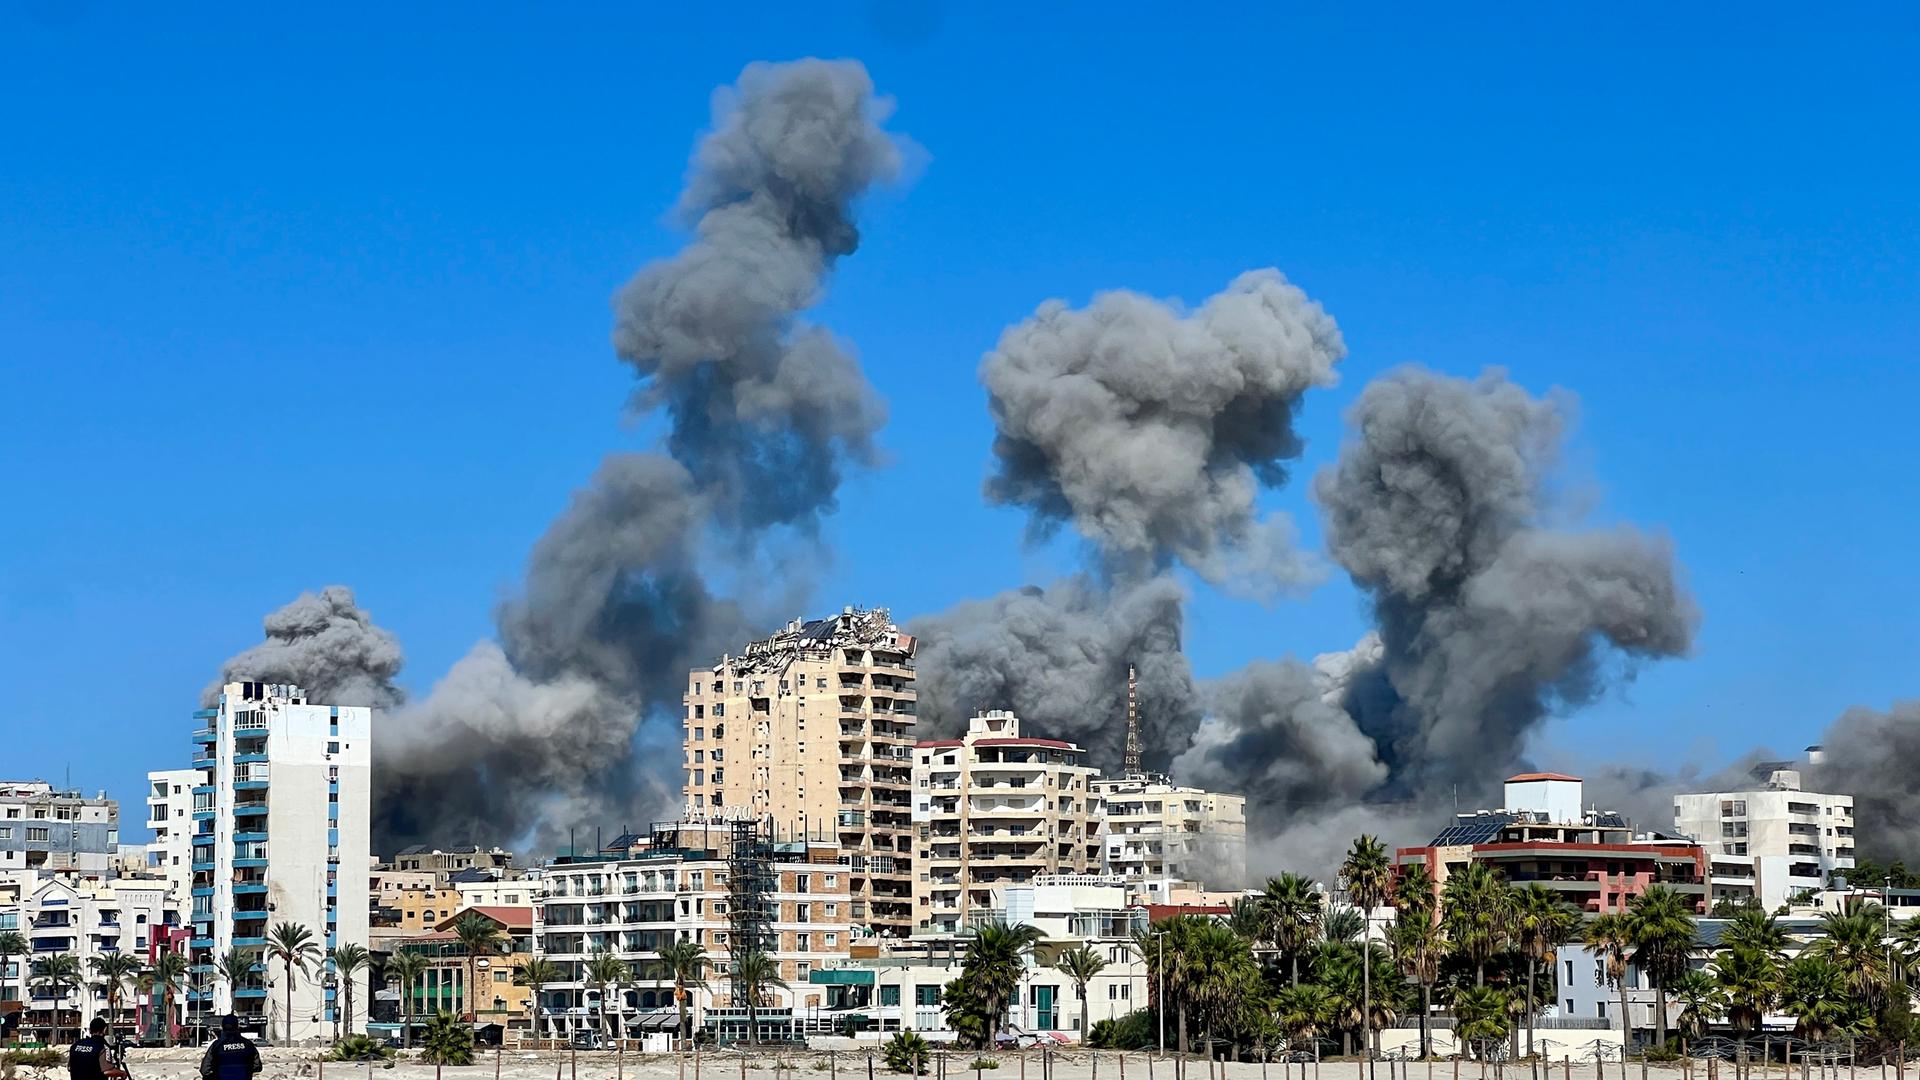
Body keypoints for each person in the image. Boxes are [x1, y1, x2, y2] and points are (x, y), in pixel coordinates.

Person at [199, 1015, 262, 1080]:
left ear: (222, 1027)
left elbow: (204, 1070)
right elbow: (257, 1066)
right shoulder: (248, 1044)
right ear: (237, 1026)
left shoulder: (216, 1045)